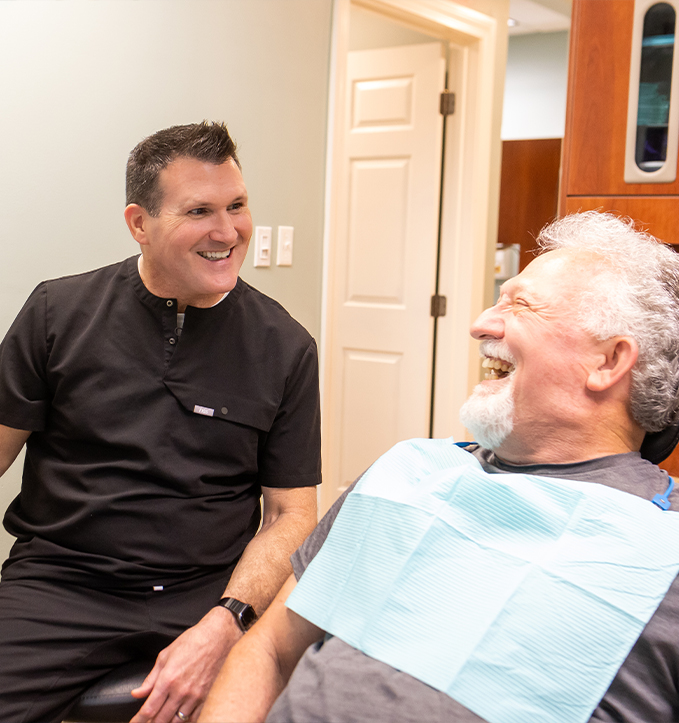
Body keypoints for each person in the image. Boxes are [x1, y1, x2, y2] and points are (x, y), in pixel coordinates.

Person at [199, 211, 679, 723]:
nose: (480, 324)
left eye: (520, 305)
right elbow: (271, 652)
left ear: (608, 361)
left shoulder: (659, 553)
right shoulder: (406, 471)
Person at [0, 121, 321, 723]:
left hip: (205, 593)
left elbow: (289, 514)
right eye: (199, 210)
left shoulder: (286, 346)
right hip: (61, 584)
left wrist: (228, 620)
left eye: (237, 206)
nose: (227, 232)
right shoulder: (57, 313)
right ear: (139, 223)